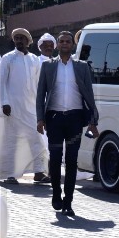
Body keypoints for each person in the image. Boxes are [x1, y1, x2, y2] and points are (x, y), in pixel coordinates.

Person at [36, 31, 100, 216]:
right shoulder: (48, 67)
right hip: (54, 119)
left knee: (71, 161)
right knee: (55, 159)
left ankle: (68, 201)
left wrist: (93, 120)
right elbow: (40, 94)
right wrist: (40, 119)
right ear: (57, 45)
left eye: (68, 41)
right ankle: (56, 195)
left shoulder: (82, 67)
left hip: (74, 119)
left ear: (72, 45)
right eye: (61, 41)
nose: (64, 44)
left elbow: (89, 95)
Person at [0, 28, 50, 185]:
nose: (18, 40)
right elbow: (2, 82)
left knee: (36, 139)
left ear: (28, 41)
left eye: (22, 38)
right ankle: (11, 174)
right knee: (13, 141)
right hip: (12, 107)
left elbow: (39, 85)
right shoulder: (8, 58)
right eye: (16, 38)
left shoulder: (35, 60)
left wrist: (41, 105)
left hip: (31, 107)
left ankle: (39, 172)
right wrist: (4, 102)